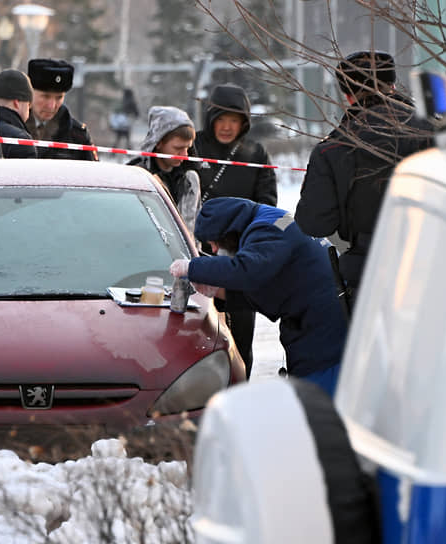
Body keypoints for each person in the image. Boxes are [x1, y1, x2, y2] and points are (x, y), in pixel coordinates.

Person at [295, 50, 434, 308]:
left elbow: (314, 223)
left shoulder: (332, 148)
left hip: (371, 274)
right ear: (392, 85)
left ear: (347, 96)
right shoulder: (435, 132)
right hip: (438, 265)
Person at [169, 197, 347, 397]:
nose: (215, 251)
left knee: (320, 406)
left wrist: (192, 267)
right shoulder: (272, 221)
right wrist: (221, 292)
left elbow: (247, 270)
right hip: (320, 325)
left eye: (214, 244)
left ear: (229, 231)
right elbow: (268, 289)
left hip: (325, 335)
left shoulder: (269, 229)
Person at [193, 83, 278, 379]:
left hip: (240, 258)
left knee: (241, 334)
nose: (227, 127)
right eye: (221, 119)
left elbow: (268, 204)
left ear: (244, 123)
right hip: (198, 253)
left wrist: (243, 237)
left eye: (235, 120)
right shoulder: (195, 147)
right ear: (211, 118)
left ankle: (240, 391)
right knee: (198, 332)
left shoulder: (255, 153)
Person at [127, 106, 200, 234]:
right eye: (178, 148)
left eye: (187, 148)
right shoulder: (137, 176)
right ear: (158, 143)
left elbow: (195, 227)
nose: (184, 155)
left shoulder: (190, 179)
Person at [25, 58, 97, 161]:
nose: (51, 106)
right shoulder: (11, 127)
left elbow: (94, 173)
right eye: (45, 96)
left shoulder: (78, 136)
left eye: (59, 98)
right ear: (29, 92)